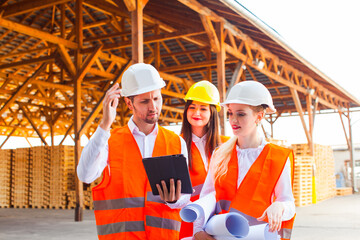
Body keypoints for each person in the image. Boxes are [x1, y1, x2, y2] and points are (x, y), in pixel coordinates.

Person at [77, 63, 190, 240]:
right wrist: (104, 125)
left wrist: (174, 200)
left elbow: (185, 197)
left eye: (157, 99)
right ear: (129, 103)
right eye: (144, 101)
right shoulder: (109, 140)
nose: (153, 107)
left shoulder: (177, 142)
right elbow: (85, 175)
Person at [193, 81, 296, 240]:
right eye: (230, 113)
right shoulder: (220, 155)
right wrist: (198, 231)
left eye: (240, 114)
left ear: (259, 116)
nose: (233, 120)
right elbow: (207, 197)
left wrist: (279, 206)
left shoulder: (277, 158)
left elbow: (288, 203)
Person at [179, 80, 229, 239]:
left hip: (219, 222)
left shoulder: (227, 146)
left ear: (212, 112)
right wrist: (197, 230)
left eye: (203, 108)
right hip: (187, 221)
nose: (196, 113)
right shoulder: (175, 144)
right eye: (192, 107)